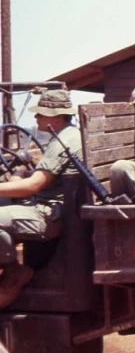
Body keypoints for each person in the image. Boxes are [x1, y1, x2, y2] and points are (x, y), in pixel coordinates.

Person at [0, 90, 82, 307]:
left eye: (41, 114)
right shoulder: (70, 135)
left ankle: (14, 271)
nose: (36, 118)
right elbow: (40, 178)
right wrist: (23, 171)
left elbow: (33, 186)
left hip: (48, 215)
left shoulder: (62, 141)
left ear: (57, 116)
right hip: (55, 206)